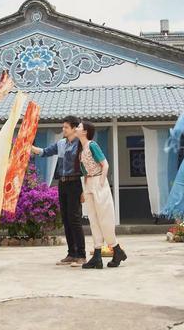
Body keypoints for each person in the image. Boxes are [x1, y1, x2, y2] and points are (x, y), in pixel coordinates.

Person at [31, 115, 86, 266]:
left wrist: (84, 191)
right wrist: (30, 147)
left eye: (66, 127)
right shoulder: (61, 143)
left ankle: (81, 255)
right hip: (62, 183)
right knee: (66, 219)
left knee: (75, 219)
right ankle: (71, 254)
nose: (63, 129)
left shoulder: (81, 145)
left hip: (75, 184)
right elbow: (45, 152)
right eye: (63, 127)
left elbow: (86, 168)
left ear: (74, 128)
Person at [75, 120, 127, 269]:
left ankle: (115, 248)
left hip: (98, 182)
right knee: (93, 219)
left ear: (85, 131)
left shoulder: (92, 145)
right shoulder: (82, 149)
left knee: (105, 218)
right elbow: (85, 171)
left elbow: (105, 164)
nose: (77, 128)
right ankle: (98, 255)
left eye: (79, 126)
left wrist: (102, 181)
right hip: (89, 184)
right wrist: (85, 188)